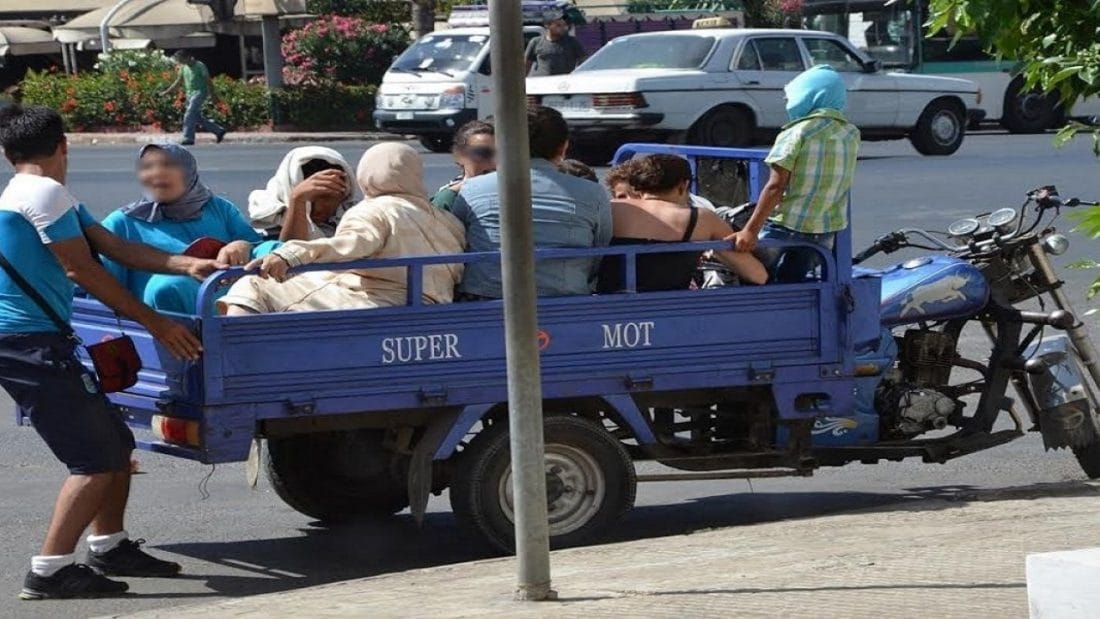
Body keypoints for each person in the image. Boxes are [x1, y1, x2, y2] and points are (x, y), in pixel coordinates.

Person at [0, 105, 215, 600]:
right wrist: (156, 322)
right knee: (94, 460)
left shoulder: (28, 191)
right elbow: (84, 271)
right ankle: (49, 571)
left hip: (33, 340)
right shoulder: (45, 192)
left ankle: (110, 544)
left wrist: (185, 265)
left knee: (116, 444)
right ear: (63, 147)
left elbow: (112, 247)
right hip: (30, 345)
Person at [218, 142, 465, 315]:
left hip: (377, 301)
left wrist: (290, 254)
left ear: (366, 175)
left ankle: (238, 361)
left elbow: (350, 245)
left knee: (252, 285)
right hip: (434, 304)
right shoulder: (446, 219)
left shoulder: (373, 211)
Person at [451, 106, 611, 299]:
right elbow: (599, 249)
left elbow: (458, 241)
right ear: (564, 147)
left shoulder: (472, 188)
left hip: (485, 298)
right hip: (566, 297)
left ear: (502, 144)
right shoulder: (592, 192)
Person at [100, 144, 279, 314]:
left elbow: (257, 247)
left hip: (237, 306)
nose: (156, 173)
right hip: (164, 326)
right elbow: (102, 291)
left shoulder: (219, 208)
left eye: (167, 164)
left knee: (278, 250)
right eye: (146, 167)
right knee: (169, 284)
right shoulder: (120, 223)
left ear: (188, 171)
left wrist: (242, 244)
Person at [730, 65, 860, 282]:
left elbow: (776, 186)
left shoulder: (796, 132)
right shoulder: (851, 133)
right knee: (794, 283)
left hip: (786, 225)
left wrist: (750, 231)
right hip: (825, 230)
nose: (786, 102)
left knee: (753, 276)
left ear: (808, 96)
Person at [599, 154, 766, 292]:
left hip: (607, 302)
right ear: (683, 185)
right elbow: (757, 275)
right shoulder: (702, 218)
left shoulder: (611, 208)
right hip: (669, 308)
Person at [248, 146, 355, 241]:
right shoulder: (267, 221)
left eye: (329, 198)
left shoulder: (353, 219)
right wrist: (297, 200)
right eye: (313, 199)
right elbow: (289, 254)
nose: (321, 209)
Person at [160, 50, 225, 146]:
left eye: (181, 59)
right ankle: (218, 131)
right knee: (196, 117)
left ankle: (188, 137)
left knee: (189, 114)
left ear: (188, 57)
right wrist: (166, 92)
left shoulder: (200, 66)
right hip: (190, 94)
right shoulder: (184, 67)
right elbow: (178, 82)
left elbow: (208, 81)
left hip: (200, 93)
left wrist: (213, 95)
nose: (180, 62)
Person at [431, 120, 495, 211]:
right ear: (459, 156)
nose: (494, 161)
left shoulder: (517, 196)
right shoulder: (449, 200)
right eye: (482, 153)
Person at [525, 12, 586, 76]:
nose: (563, 28)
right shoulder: (536, 42)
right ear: (547, 25)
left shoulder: (572, 42)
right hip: (541, 82)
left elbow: (583, 61)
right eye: (558, 25)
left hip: (564, 82)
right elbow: (526, 65)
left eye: (564, 25)